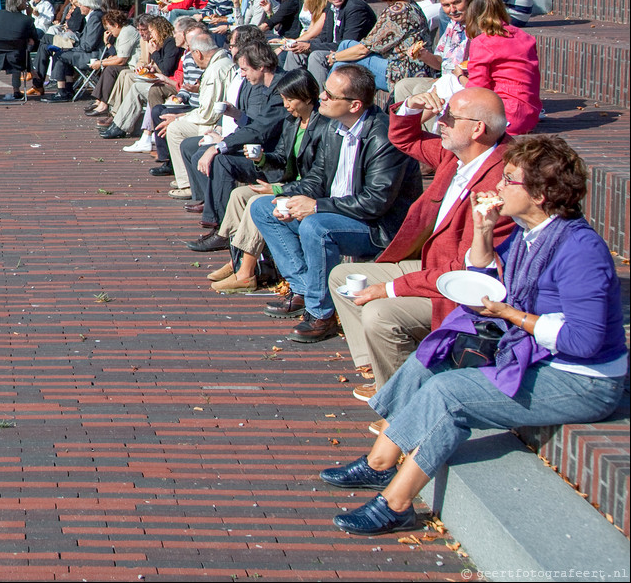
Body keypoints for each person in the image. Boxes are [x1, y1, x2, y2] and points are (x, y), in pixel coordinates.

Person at [321, 136, 627, 536]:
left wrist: (512, 316)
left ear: (541, 193)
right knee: (436, 351)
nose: (498, 186)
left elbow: (583, 341)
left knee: (449, 393)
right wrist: (482, 233)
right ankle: (380, 461)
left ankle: (395, 504)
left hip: (581, 379)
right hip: (535, 353)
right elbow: (487, 284)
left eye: (510, 180)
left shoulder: (580, 249)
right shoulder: (528, 233)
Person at [330, 87, 513, 395]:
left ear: (477, 129)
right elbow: (405, 139)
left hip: (462, 293)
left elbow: (467, 269)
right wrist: (411, 107)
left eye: (450, 117)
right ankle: (376, 367)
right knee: (342, 278)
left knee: (379, 313)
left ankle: (402, 397)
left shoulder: (499, 182)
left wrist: (390, 289)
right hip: (434, 267)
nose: (440, 121)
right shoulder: (459, 155)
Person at [249, 65, 422, 343]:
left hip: (376, 227)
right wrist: (288, 197)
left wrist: (315, 207)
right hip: (339, 212)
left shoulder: (383, 137)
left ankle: (322, 314)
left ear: (354, 105)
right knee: (262, 207)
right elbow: (317, 179)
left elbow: (375, 202)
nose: (322, 98)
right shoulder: (334, 126)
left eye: (329, 94)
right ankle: (304, 288)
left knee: (317, 227)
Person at [204, 70, 328, 292]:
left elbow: (317, 178)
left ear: (308, 98)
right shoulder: (292, 122)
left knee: (254, 203)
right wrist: (261, 158)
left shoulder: (322, 127)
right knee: (238, 195)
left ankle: (245, 273)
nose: (286, 105)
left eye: (291, 99)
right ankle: (236, 260)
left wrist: (277, 188)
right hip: (288, 185)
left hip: (304, 191)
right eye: (283, 99)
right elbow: (280, 157)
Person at [186, 40, 288, 249]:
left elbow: (261, 130)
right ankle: (219, 226)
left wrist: (220, 146)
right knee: (218, 159)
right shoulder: (270, 86)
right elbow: (258, 126)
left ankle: (222, 229)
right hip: (265, 151)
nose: (241, 74)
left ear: (261, 67)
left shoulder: (279, 90)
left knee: (221, 160)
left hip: (274, 160)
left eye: (244, 69)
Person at [152, 30, 236, 196]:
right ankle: (185, 178)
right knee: (170, 120)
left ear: (198, 53)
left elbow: (208, 114)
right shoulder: (221, 62)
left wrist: (178, 118)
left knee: (175, 129)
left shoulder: (215, 70)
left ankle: (187, 183)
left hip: (215, 124)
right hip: (216, 119)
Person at [326, 0, 432, 93]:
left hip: (403, 70)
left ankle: (325, 99)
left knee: (340, 67)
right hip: (417, 66)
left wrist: (335, 56)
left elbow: (364, 49)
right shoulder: (411, 5)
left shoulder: (396, 12)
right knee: (345, 44)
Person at [463, 0, 542, 135]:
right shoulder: (525, 37)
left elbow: (477, 89)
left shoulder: (483, 42)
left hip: (505, 116)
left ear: (471, 12)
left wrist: (460, 76)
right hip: (530, 114)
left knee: (447, 88)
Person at [285, 0, 378, 85]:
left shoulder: (355, 8)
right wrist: (302, 45)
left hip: (354, 56)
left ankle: (321, 100)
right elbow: (324, 37)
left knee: (316, 56)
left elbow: (347, 44)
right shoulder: (331, 5)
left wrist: (310, 46)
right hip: (333, 50)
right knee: (295, 53)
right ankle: (294, 94)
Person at [393, 0, 471, 108]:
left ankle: (427, 128)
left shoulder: (475, 27)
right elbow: (440, 62)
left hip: (460, 83)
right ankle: (405, 126)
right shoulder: (452, 25)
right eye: (446, 5)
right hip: (444, 79)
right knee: (402, 86)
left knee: (421, 91)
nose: (452, 9)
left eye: (457, 3)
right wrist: (423, 55)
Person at [44, 0, 105, 102]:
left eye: (81, 4)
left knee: (60, 55)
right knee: (63, 53)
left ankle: (62, 91)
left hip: (92, 56)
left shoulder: (95, 18)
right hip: (89, 52)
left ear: (89, 5)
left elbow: (89, 45)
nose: (79, 6)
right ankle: (68, 88)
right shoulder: (94, 17)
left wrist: (73, 46)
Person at [84, 10, 137, 116]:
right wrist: (107, 44)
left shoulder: (126, 32)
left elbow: (121, 59)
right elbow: (117, 54)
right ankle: (99, 100)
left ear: (116, 25)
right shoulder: (122, 32)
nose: (109, 31)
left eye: (109, 28)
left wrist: (101, 63)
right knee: (108, 67)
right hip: (128, 62)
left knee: (111, 69)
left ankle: (103, 104)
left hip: (134, 66)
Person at [0, 0, 38, 101]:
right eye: (25, 0)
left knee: (19, 48)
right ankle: (33, 75)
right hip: (17, 59)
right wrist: (29, 15)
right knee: (23, 49)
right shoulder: (26, 20)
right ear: (19, 2)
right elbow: (34, 38)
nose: (27, 2)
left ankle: (18, 88)